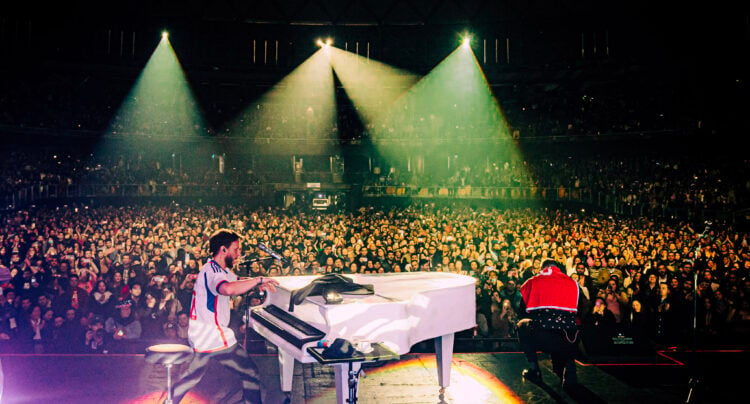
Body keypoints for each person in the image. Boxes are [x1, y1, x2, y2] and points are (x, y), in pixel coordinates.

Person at [171, 229, 279, 404]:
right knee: (250, 372)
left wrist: (254, 284)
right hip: (212, 334)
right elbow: (227, 289)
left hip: (203, 332)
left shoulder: (217, 268)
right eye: (236, 249)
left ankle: (169, 401)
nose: (239, 254)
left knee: (192, 376)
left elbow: (236, 280)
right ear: (223, 250)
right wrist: (258, 280)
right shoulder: (213, 272)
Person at [516, 259, 587, 389]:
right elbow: (580, 310)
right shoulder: (573, 283)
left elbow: (522, 310)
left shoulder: (533, 281)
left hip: (541, 335)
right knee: (570, 327)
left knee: (521, 325)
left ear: (544, 268)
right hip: (568, 338)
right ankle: (569, 367)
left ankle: (534, 369)